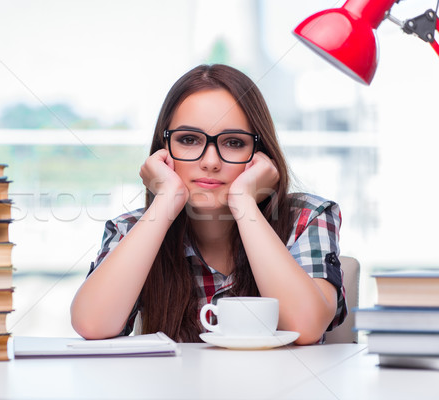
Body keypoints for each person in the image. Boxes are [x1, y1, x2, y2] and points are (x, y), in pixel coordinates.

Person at [70, 64, 346, 344]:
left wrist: (244, 202)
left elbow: (306, 326)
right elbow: (92, 324)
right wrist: (166, 200)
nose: (211, 162)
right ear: (163, 152)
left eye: (234, 143)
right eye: (189, 140)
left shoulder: (308, 217)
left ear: (260, 153)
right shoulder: (133, 229)